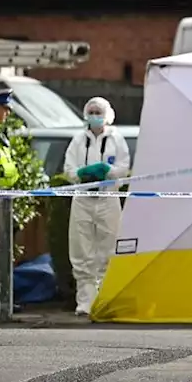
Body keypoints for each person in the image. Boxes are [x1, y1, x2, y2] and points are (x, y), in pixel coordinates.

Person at [63, 97, 132, 317]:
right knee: (81, 250)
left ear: (107, 115)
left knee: (108, 249)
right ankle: (85, 301)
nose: (94, 115)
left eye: (98, 111)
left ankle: (105, 299)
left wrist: (107, 171)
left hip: (108, 199)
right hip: (83, 199)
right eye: (91, 111)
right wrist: (82, 175)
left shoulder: (116, 139)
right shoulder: (78, 140)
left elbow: (124, 168)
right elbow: (69, 170)